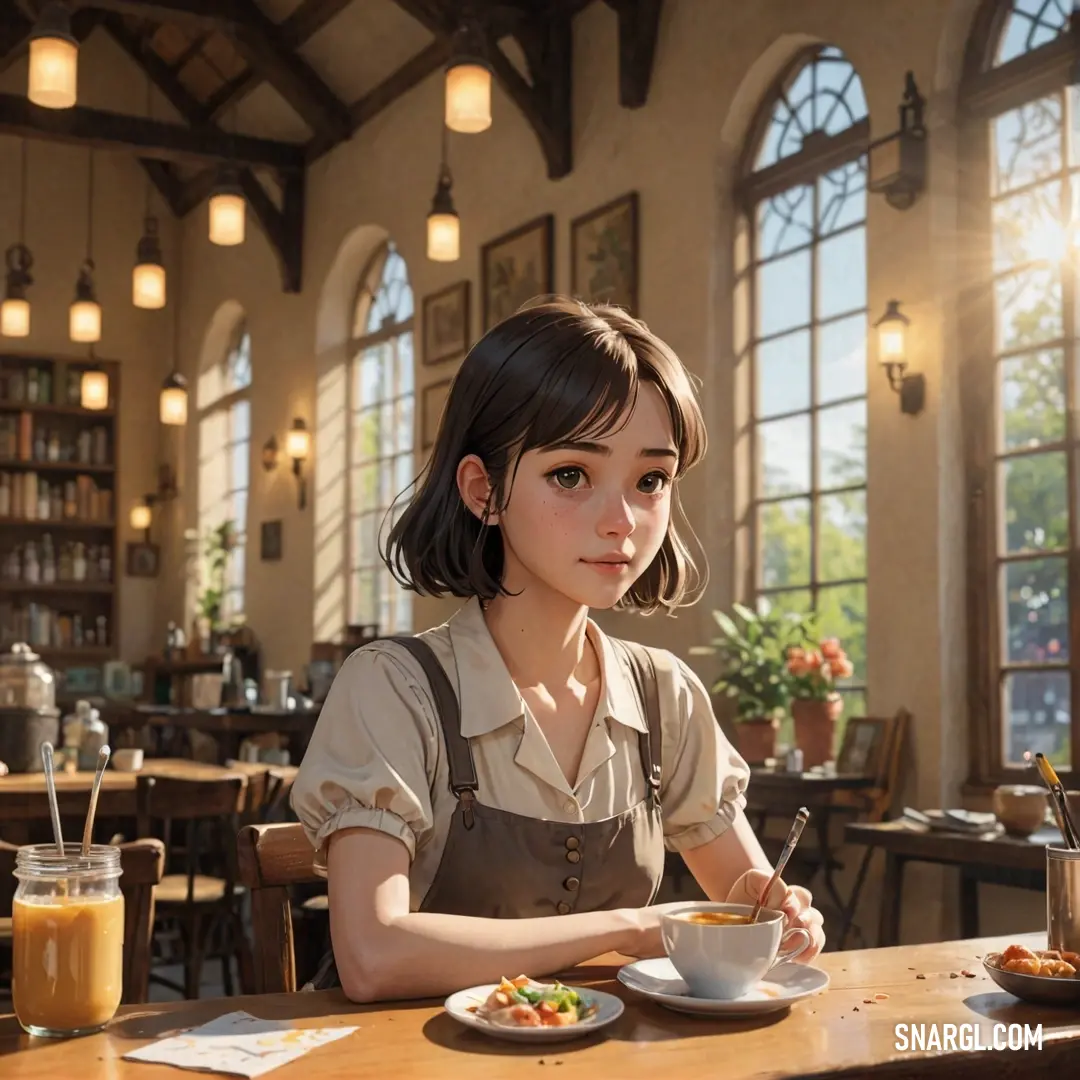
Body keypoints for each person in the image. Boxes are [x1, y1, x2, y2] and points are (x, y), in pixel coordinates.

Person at [291, 297, 825, 1003]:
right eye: (572, 474)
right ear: (484, 490)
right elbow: (374, 955)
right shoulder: (393, 689)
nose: (621, 521)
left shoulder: (666, 695)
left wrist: (770, 911)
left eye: (650, 480)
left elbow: (740, 893)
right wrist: (630, 928)